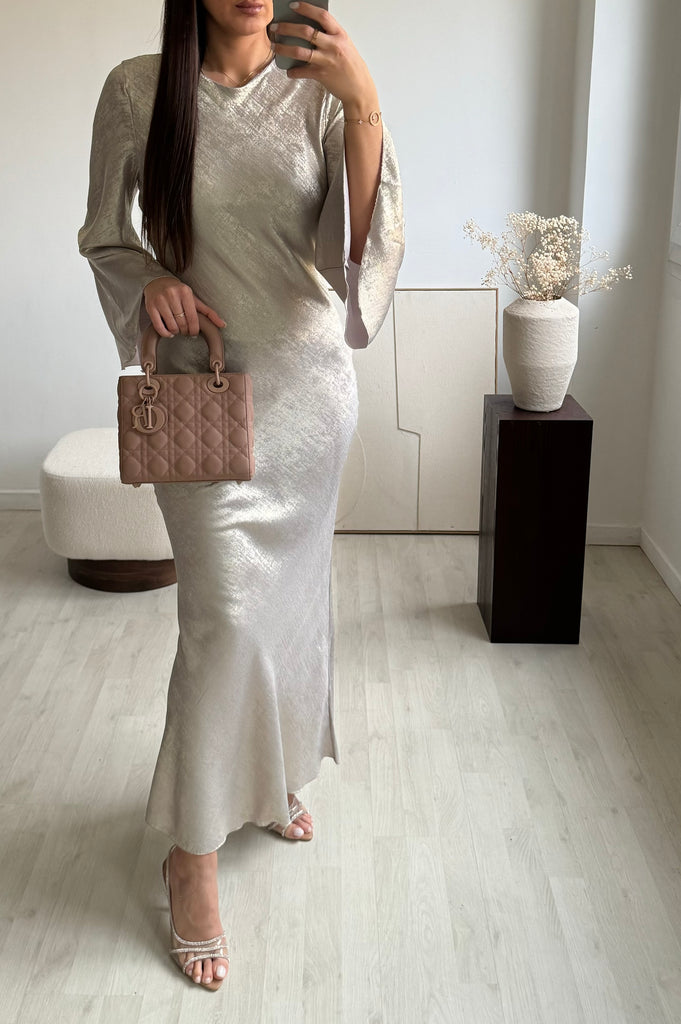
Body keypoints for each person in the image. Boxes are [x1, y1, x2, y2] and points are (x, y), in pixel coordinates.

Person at [78, 0, 405, 992]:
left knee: (290, 609)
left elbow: (356, 254)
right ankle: (192, 854)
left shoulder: (323, 91)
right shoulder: (138, 90)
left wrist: (366, 104)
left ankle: (269, 779)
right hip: (203, 391)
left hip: (309, 396)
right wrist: (149, 284)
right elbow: (106, 235)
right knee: (224, 620)